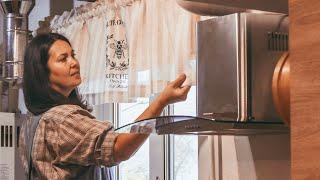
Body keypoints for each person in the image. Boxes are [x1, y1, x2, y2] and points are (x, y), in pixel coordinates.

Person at [19, 33, 191, 179]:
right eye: (63, 59)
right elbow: (119, 149)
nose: (74, 62)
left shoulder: (31, 123)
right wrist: (161, 101)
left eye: (73, 55)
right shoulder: (62, 119)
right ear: (43, 73)